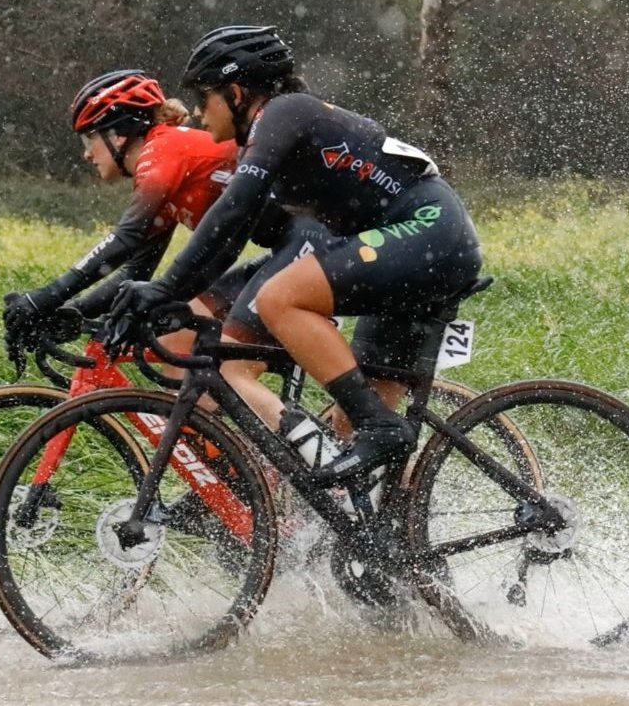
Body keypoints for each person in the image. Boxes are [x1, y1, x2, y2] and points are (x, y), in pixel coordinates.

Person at [108, 26, 483, 486]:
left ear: (237, 92)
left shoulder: (284, 113)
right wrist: (169, 296)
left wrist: (164, 288)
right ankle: (397, 548)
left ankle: (382, 427)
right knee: (348, 436)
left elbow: (233, 207)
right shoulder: (273, 131)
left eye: (204, 99)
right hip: (414, 250)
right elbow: (226, 242)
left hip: (428, 232)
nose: (199, 114)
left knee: (279, 297)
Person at [2, 69, 240, 368]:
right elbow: (136, 271)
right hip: (280, 252)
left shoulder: (162, 149)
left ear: (118, 134)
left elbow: (124, 239)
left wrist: (43, 298)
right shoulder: (164, 165)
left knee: (231, 371)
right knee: (179, 349)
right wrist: (75, 311)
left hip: (298, 250)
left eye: (89, 140)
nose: (87, 155)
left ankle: (284, 417)